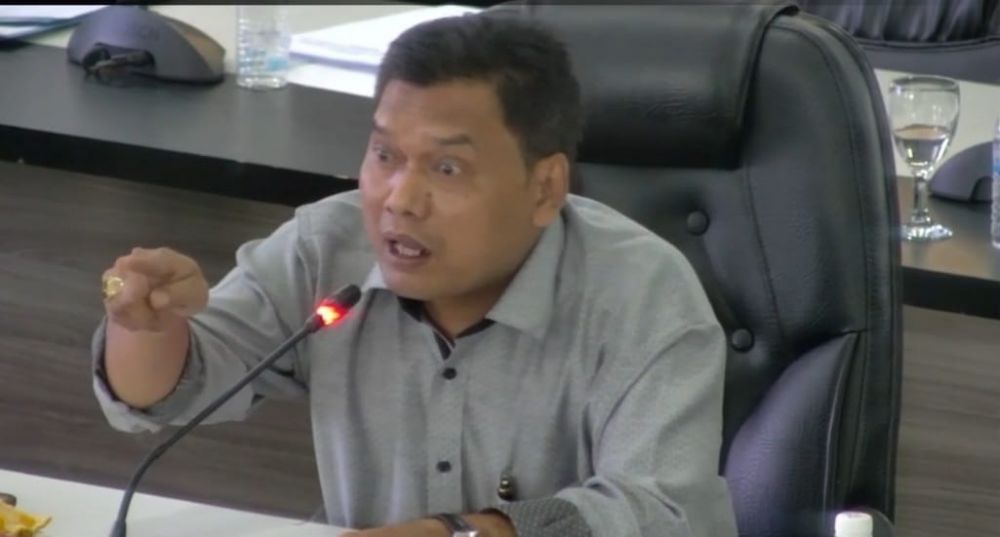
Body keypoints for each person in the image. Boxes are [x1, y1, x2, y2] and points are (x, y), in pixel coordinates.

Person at [92, 12, 737, 537]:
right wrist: (146, 327)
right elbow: (171, 392)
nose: (400, 200)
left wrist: (465, 533)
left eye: (446, 169)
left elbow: (660, 514)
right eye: (385, 154)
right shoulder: (327, 248)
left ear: (545, 188)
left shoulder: (642, 293)